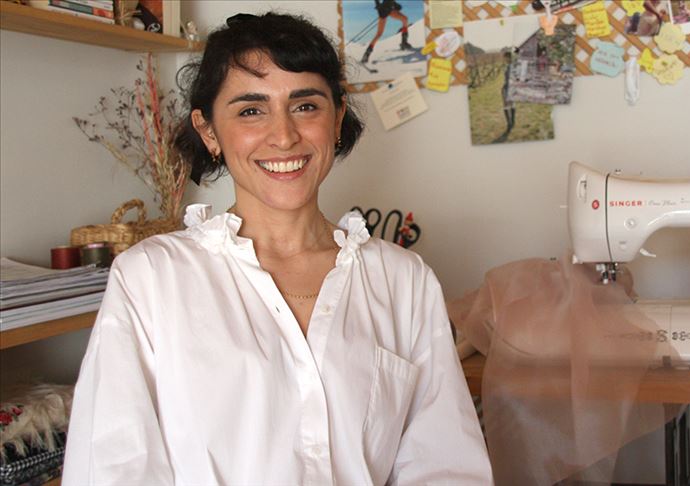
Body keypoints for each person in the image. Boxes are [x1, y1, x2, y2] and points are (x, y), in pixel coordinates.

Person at [63, 11, 493, 485]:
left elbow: (444, 464)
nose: (285, 135)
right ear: (209, 131)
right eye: (251, 110)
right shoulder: (151, 278)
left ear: (337, 118)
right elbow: (114, 468)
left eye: (305, 105)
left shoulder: (403, 280)